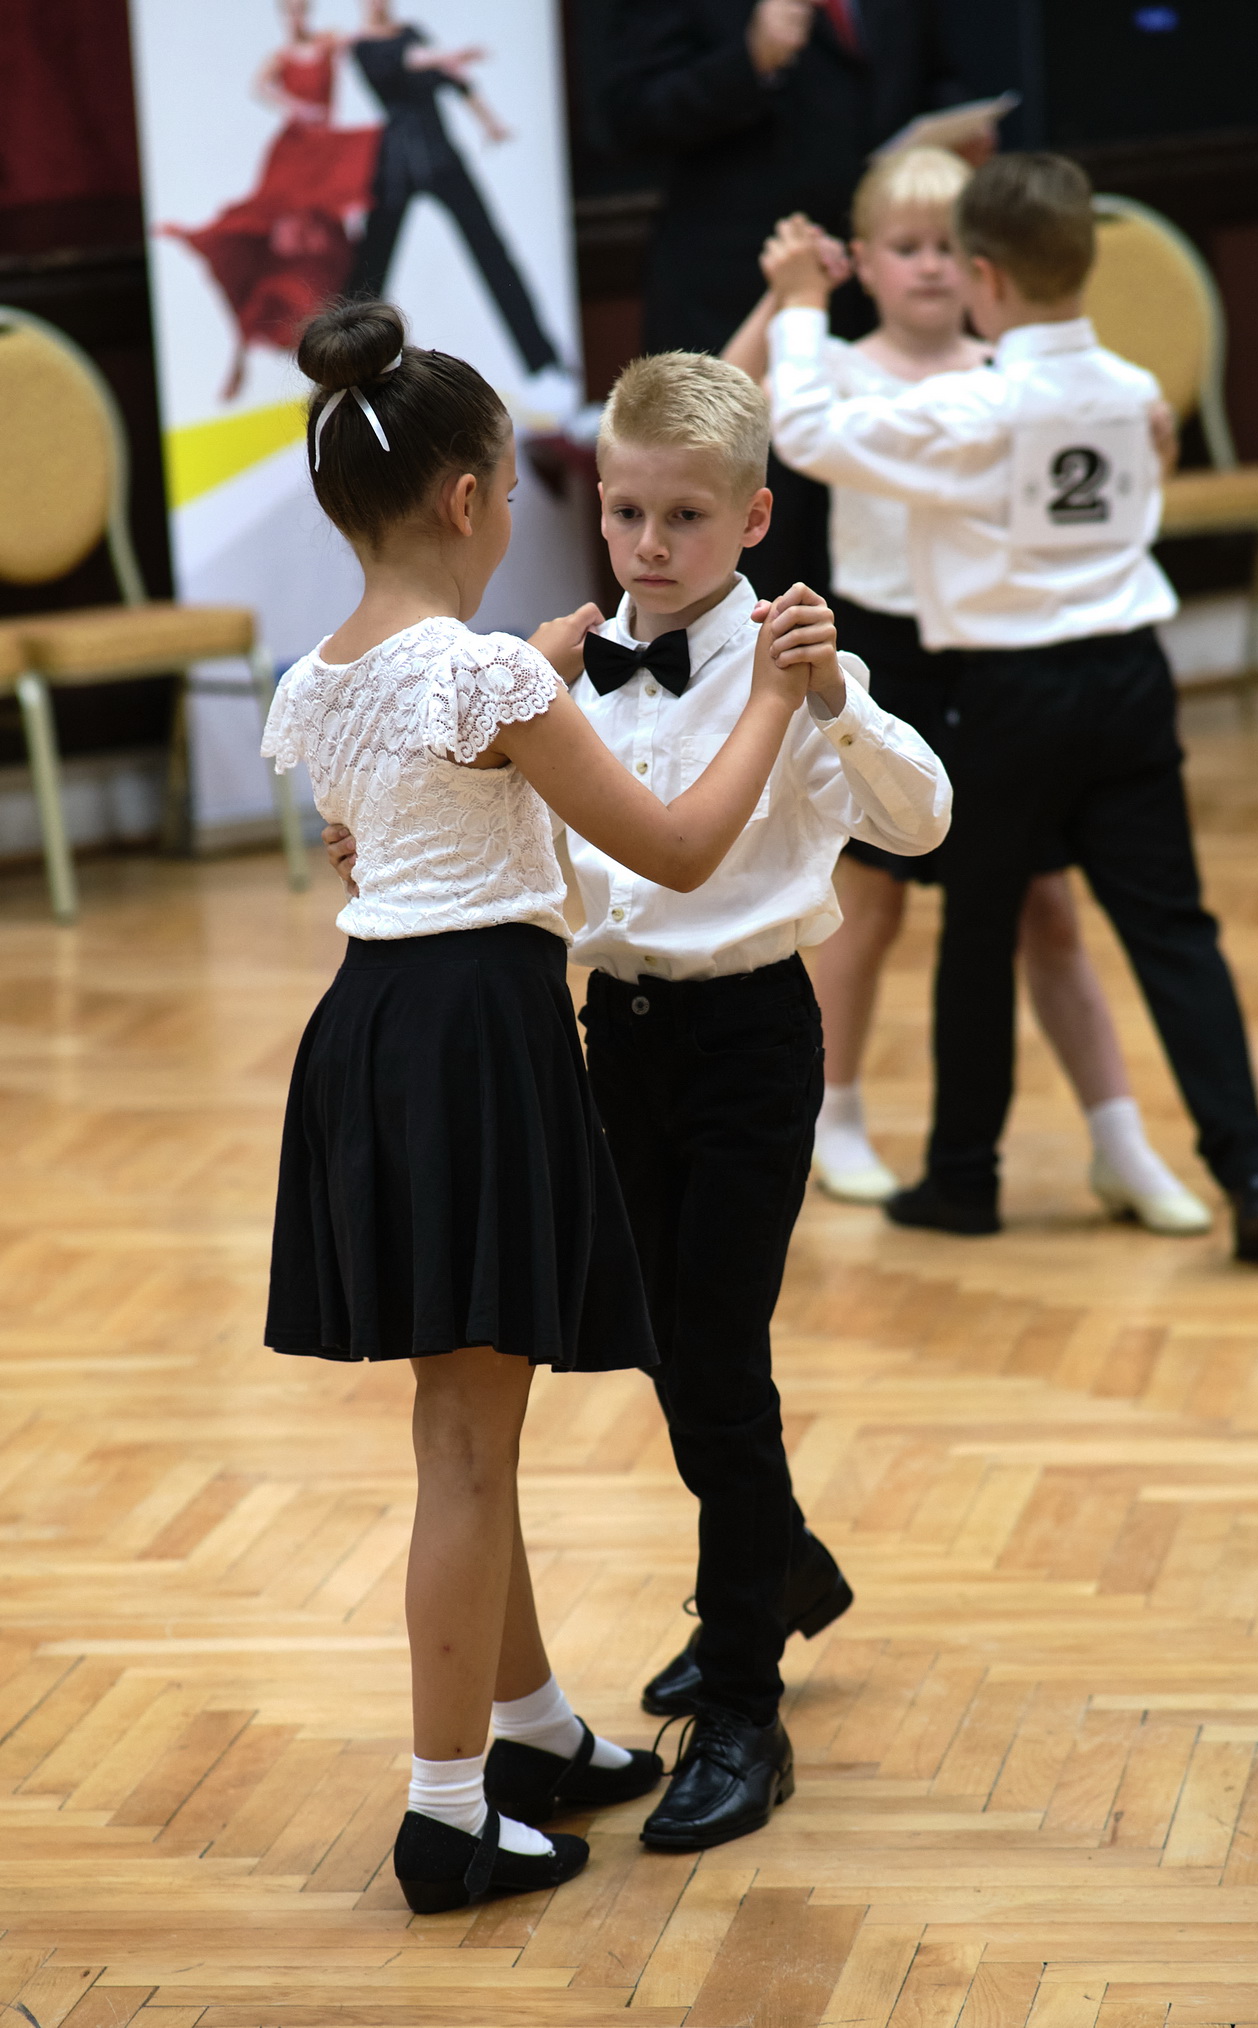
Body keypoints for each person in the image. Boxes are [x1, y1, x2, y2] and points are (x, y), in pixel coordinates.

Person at [327, 349, 951, 1851]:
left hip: (749, 1043)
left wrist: (837, 701)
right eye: (625, 513)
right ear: (595, 505)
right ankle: (776, 1566)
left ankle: (741, 1702)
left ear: (753, 520)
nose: (649, 545)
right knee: (665, 1349)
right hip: (610, 1038)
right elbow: (556, 852)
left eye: (684, 517)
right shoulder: (555, 668)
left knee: (720, 1361)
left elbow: (925, 822)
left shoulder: (793, 659)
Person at [263, 301, 820, 1914]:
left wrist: (543, 686)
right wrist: (773, 698)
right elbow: (679, 848)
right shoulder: (493, 671)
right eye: (515, 489)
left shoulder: (321, 679)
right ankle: (447, 1811)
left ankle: (531, 1728)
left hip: (372, 1030)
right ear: (466, 500)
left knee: (465, 1418)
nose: (522, 513)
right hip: (474, 1041)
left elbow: (387, 834)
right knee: (466, 1442)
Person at [763, 152, 1258, 1263]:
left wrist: (804, 306)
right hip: (1133, 683)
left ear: (985, 276)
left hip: (1011, 695)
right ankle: (1250, 1166)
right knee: (1174, 929)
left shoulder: (973, 407)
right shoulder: (1133, 391)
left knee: (979, 933)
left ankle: (963, 1180)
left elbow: (804, 431)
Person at [598, 0, 979, 598]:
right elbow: (625, 116)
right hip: (737, 285)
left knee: (869, 518)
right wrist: (750, 57)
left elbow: (933, 71)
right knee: (736, 504)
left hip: (880, 287)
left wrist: (956, 127)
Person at [348, 1, 570, 416]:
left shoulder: (411, 33)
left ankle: (543, 363)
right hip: (396, 166)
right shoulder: (362, 46)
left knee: (492, 252)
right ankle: (345, 368)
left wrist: (489, 121)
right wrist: (445, 56)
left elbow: (453, 78)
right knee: (369, 269)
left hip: (443, 157)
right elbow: (406, 62)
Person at [162, 0, 380, 401]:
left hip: (324, 156)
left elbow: (362, 36)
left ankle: (336, 358)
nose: (295, 18)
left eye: (299, 10)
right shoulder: (280, 57)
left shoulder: (326, 43)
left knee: (328, 253)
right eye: (288, 12)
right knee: (272, 245)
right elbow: (259, 87)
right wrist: (293, 106)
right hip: (293, 154)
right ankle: (246, 351)